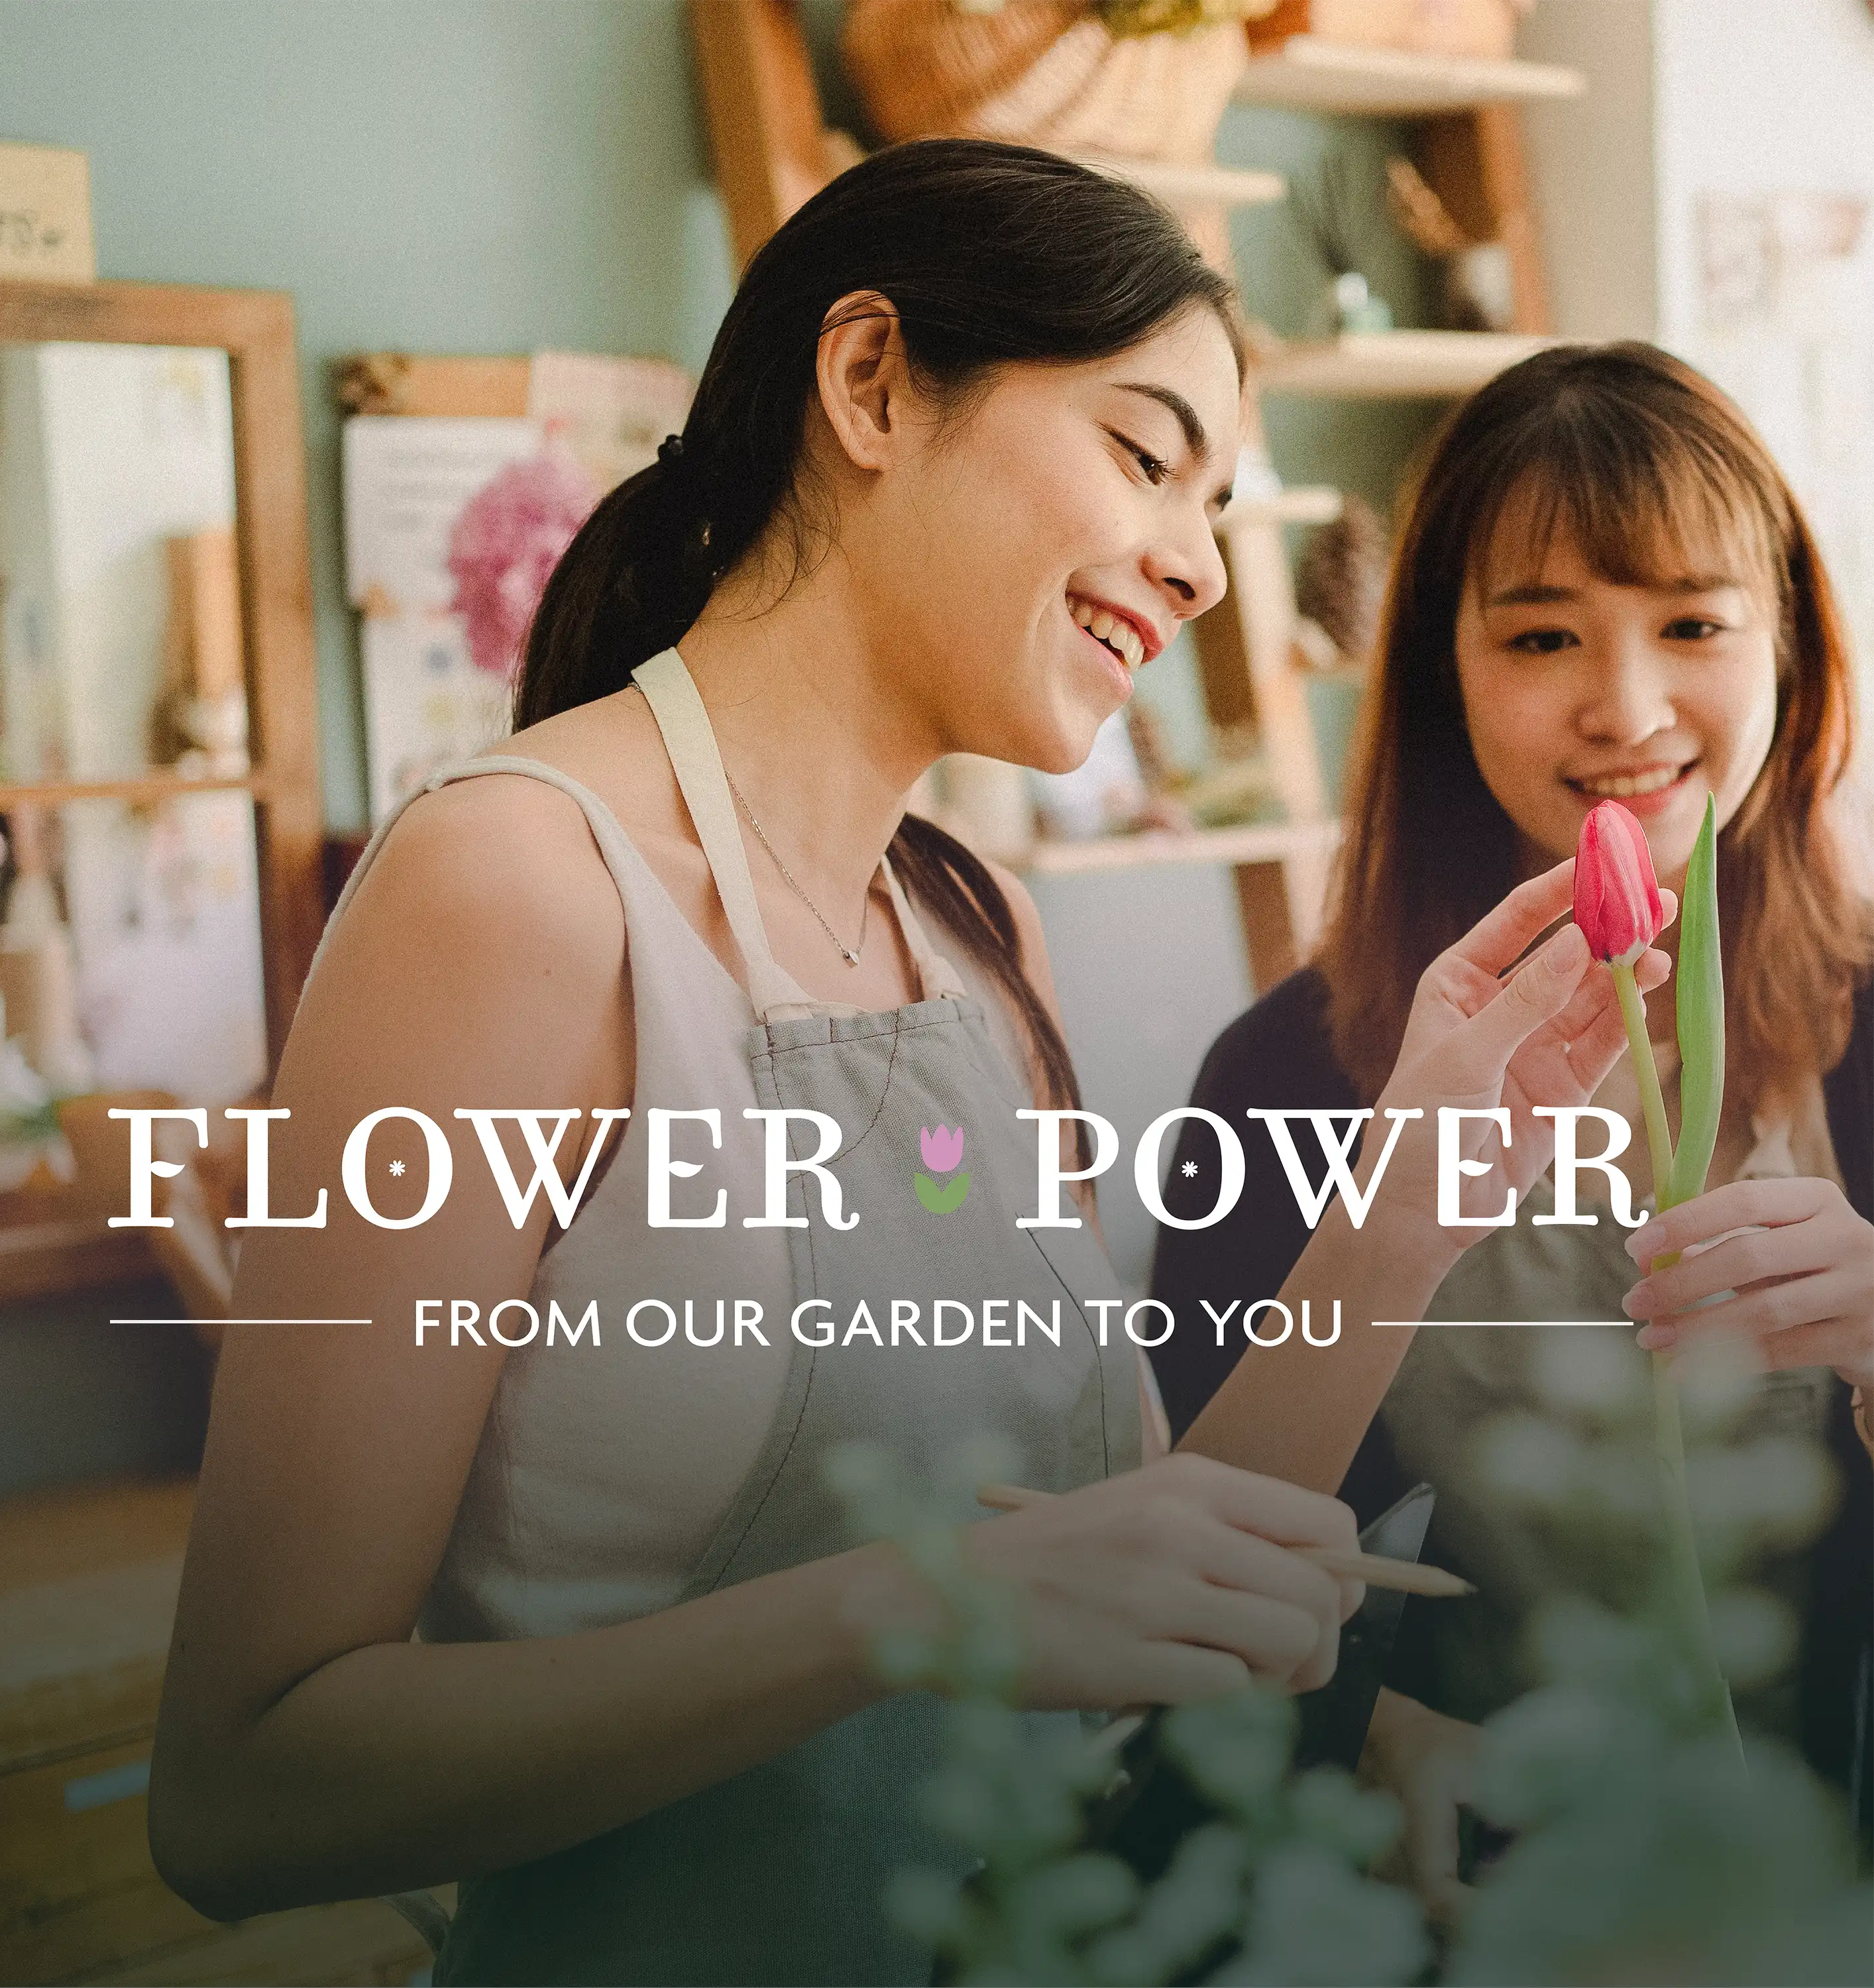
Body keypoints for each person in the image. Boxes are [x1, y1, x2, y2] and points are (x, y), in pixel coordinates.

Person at [146, 146, 1667, 1986]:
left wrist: (1403, 1216)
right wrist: (910, 1607)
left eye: (1218, 498)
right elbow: (241, 1796)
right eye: (1143, 452)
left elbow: (1130, 1570)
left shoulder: (971, 939)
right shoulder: (515, 892)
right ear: (871, 384)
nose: (1198, 563)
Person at [1151, 341, 1874, 1916]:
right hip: (1474, 1896)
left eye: (1693, 624)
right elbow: (1187, 1569)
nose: (1626, 708)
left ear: (1795, 652)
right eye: (1542, 634)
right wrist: (1387, 1737)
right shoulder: (1285, 1074)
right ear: (1438, 674)